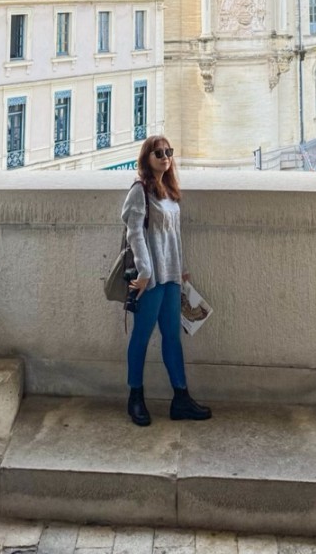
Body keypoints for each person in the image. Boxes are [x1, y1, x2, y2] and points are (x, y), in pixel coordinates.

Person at [121, 135, 212, 427]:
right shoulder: (140, 190)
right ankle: (135, 396)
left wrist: (180, 269)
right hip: (150, 279)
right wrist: (144, 272)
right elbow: (134, 232)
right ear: (146, 157)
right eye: (158, 153)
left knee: (172, 337)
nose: (164, 157)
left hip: (171, 277)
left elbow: (173, 236)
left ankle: (180, 397)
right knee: (141, 337)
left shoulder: (170, 191)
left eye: (168, 152)